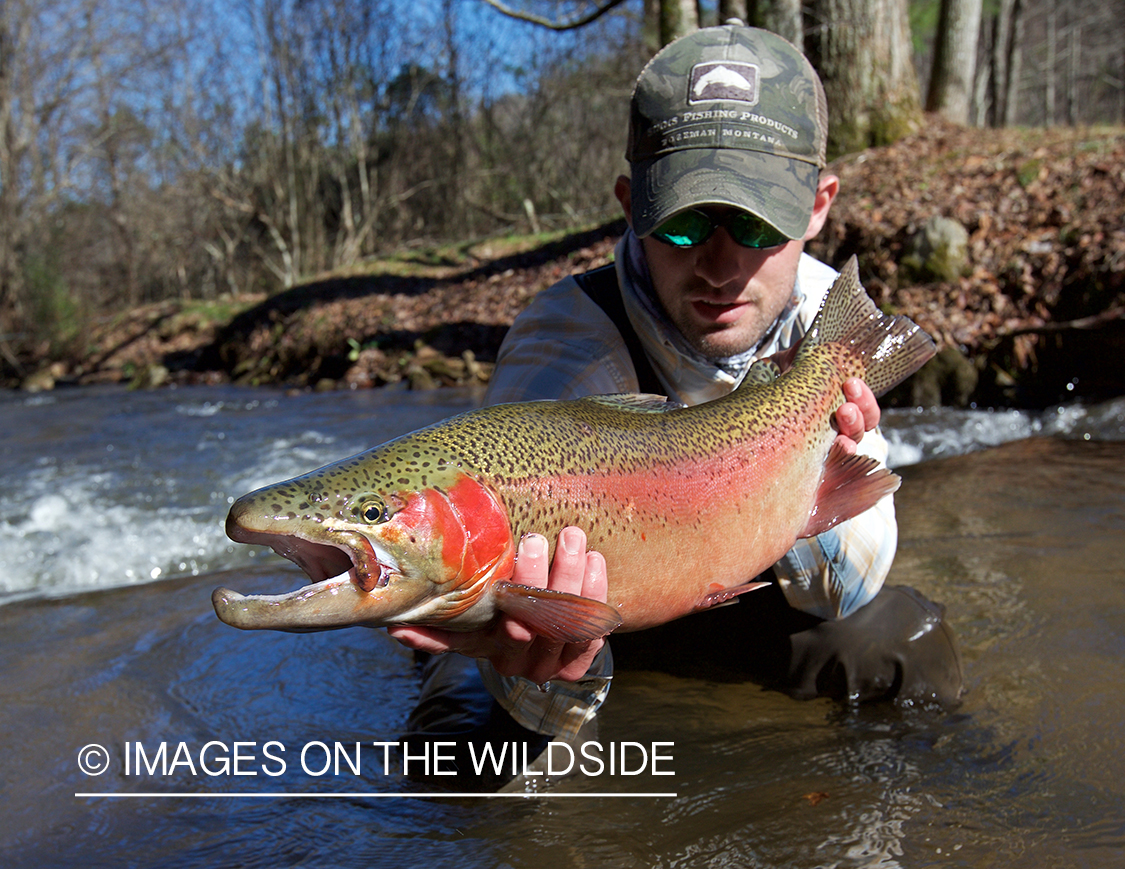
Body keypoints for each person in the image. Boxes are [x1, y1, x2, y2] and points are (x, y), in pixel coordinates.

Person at [388, 23, 962, 781]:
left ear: (816, 207)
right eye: (684, 223)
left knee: (894, 645)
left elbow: (844, 592)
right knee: (471, 758)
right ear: (632, 206)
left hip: (743, 580)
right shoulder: (566, 343)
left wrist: (812, 458)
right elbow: (492, 583)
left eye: (757, 224)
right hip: (580, 615)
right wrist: (544, 669)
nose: (721, 265)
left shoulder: (829, 321)